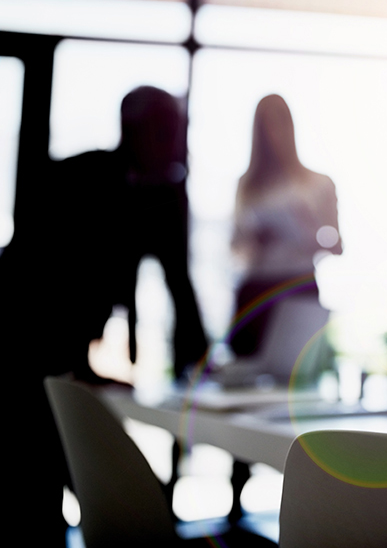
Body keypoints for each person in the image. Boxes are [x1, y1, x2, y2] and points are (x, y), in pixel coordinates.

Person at [0, 86, 208, 546]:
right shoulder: (75, 177)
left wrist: (201, 365)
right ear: (136, 131)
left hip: (60, 356)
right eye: (170, 131)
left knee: (77, 474)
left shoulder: (165, 193)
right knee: (32, 486)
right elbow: (33, 278)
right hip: (15, 343)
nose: (180, 144)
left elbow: (179, 280)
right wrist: (74, 364)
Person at [229, 94, 342, 356]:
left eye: (278, 121)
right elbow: (234, 246)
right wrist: (254, 241)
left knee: (297, 371)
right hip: (256, 287)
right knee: (247, 368)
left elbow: (337, 246)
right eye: (265, 123)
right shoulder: (247, 186)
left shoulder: (318, 183)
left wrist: (308, 227)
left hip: (299, 284)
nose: (273, 131)